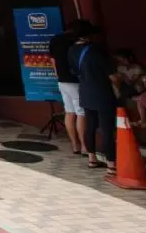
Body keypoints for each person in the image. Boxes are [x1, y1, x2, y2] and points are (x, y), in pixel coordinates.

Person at [68, 21, 117, 174]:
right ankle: (111, 164)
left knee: (90, 126)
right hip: (102, 93)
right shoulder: (96, 50)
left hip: (85, 91)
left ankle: (92, 158)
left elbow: (74, 71)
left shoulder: (71, 50)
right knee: (107, 129)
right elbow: (112, 76)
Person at [50, 20, 86, 155]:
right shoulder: (75, 42)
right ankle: (84, 146)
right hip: (74, 80)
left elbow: (52, 60)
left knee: (69, 112)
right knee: (81, 113)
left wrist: (58, 74)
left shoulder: (55, 40)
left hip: (62, 80)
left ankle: (75, 145)